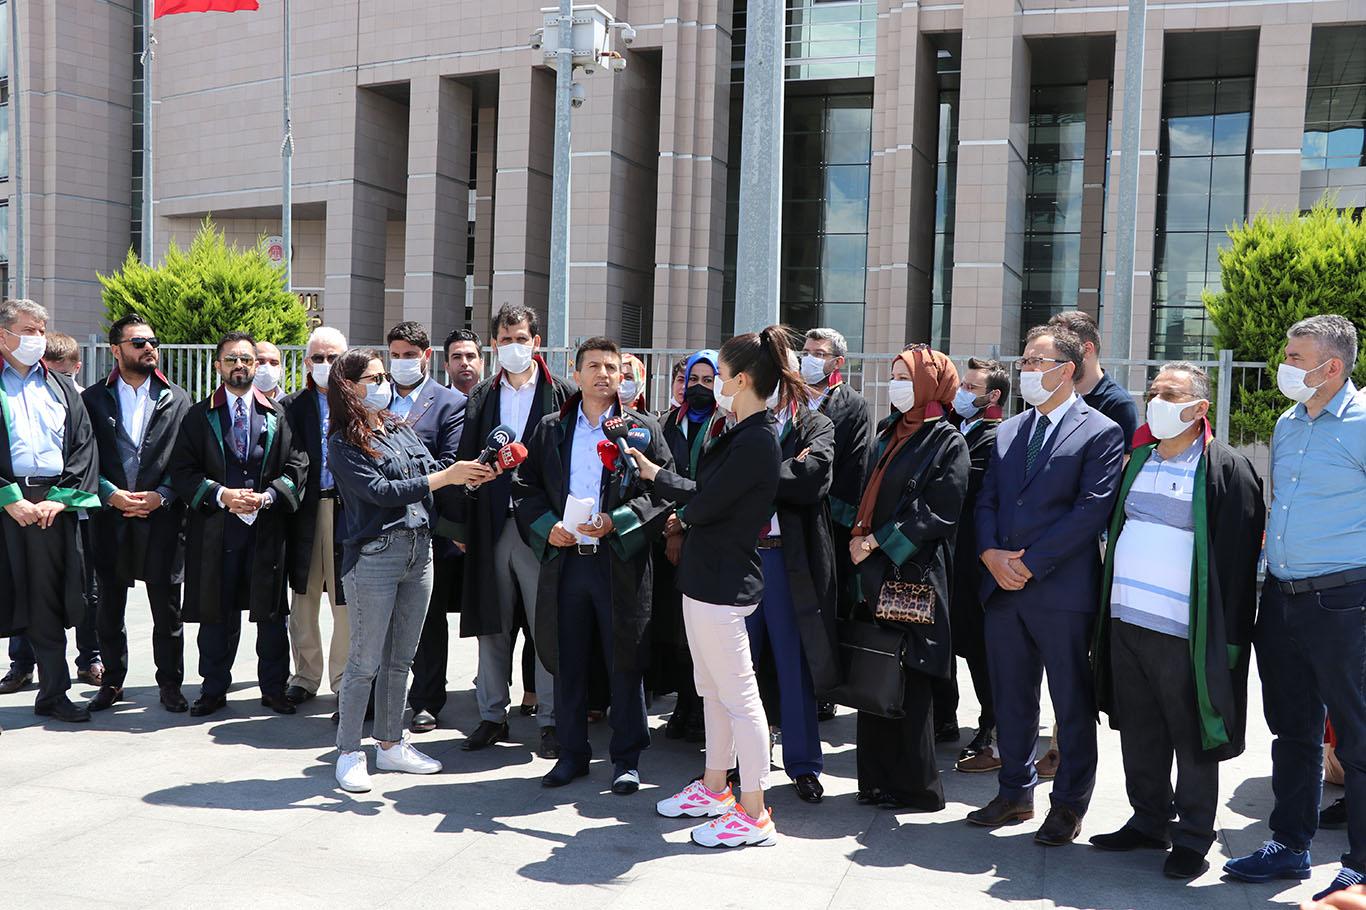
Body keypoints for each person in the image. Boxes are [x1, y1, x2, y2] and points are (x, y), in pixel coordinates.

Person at [629, 325, 803, 848]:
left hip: (725, 584)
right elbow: (706, 494)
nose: (711, 384)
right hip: (707, 578)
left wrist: (657, 477)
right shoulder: (741, 431)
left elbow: (704, 504)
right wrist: (658, 475)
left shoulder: (757, 438)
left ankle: (754, 810)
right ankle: (714, 787)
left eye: (721, 374)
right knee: (712, 691)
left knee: (741, 699)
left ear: (742, 379)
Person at [1089, 362, 1264, 880]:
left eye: (1170, 394)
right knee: (1139, 730)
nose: (1157, 401)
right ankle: (1148, 820)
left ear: (1199, 407)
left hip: (1185, 634)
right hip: (1127, 622)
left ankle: (1192, 837)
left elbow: (1236, 564)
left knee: (1191, 737)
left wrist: (1228, 642)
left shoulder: (1225, 469)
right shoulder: (1138, 459)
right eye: (1154, 392)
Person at [1225, 315, 1366, 902]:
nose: (1284, 364)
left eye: (1294, 356)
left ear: (1331, 366)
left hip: (1345, 601)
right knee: (1292, 729)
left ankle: (1361, 864)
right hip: (1281, 598)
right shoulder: (1288, 422)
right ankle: (1289, 844)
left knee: (1357, 735)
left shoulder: (1363, 422)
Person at [966, 324, 1124, 845]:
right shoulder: (1010, 429)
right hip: (1003, 589)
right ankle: (1014, 792)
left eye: (1037, 361)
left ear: (1068, 370)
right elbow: (987, 499)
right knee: (1011, 698)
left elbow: (1090, 511)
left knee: (1071, 703)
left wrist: (1030, 564)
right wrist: (990, 555)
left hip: (1061, 591)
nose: (1027, 370)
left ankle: (1069, 805)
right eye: (1025, 361)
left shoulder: (1100, 430)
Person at [326, 348, 496, 792]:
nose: (384, 384)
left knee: (401, 658)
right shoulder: (343, 441)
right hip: (375, 555)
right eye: (373, 378)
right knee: (365, 660)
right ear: (349, 387)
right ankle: (349, 752)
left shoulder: (398, 427)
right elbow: (382, 491)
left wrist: (469, 473)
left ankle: (390, 744)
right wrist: (446, 477)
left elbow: (431, 469)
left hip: (419, 550)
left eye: (384, 376)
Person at [513, 336, 673, 793]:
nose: (604, 374)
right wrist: (548, 528)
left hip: (618, 562)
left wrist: (615, 521)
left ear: (623, 376)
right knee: (569, 660)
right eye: (594, 366)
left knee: (624, 660)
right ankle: (572, 754)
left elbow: (660, 490)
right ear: (576, 373)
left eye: (612, 367)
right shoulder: (552, 428)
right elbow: (525, 488)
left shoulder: (640, 429)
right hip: (567, 562)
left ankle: (626, 760)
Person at [848, 346, 970, 810]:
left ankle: (915, 788)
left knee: (910, 680)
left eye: (905, 377)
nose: (895, 384)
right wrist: (858, 541)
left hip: (911, 574)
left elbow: (938, 511)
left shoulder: (946, 440)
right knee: (875, 672)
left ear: (929, 384)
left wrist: (877, 542)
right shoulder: (889, 431)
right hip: (871, 571)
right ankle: (875, 781)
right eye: (894, 375)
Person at [454, 303, 575, 759]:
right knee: (492, 624)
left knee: (548, 626)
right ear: (494, 344)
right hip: (492, 524)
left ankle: (550, 720)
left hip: (542, 528)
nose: (513, 347)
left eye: (520, 339)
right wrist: (463, 518)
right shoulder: (482, 396)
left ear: (536, 342)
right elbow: (465, 458)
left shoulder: (561, 393)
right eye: (505, 340)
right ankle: (491, 714)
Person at [170, 331, 308, 718]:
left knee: (271, 616)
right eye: (232, 359)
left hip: (266, 529)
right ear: (218, 365)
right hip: (217, 529)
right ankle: (213, 688)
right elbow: (182, 471)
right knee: (216, 614)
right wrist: (220, 494)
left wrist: (268, 497)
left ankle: (274, 689)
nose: (240, 366)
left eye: (248, 359)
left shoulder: (278, 415)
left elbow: (298, 465)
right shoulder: (199, 416)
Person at [83, 315, 193, 713]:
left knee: (167, 612)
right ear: (116, 350)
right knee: (109, 609)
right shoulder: (93, 399)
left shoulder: (177, 398)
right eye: (139, 342)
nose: (149, 348)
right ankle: (112, 682)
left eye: (153, 342)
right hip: (110, 519)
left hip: (162, 519)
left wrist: (163, 495)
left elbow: (187, 459)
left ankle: (170, 685)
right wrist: (110, 494)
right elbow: (83, 456)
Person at [0, 299, 101, 723]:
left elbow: (84, 445)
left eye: (41, 331)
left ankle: (54, 693)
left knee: (48, 603)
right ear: (3, 335)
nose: (38, 339)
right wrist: (9, 497)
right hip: (6, 505)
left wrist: (60, 498)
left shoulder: (59, 386)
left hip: (52, 507)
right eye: (29, 330)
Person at [751, 372, 839, 804]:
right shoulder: (739, 421)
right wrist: (785, 469)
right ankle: (738, 760)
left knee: (793, 664)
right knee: (739, 668)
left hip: (788, 559)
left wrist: (755, 477)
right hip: (743, 559)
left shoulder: (815, 424)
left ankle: (803, 765)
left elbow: (811, 478)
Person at [384, 320, 464, 733]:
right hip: (379, 527)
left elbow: (448, 464)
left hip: (427, 526)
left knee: (428, 619)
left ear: (426, 357)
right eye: (395, 355)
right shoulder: (374, 397)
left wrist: (395, 478)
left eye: (409, 355)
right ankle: (378, 699)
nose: (401, 362)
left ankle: (427, 700)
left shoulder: (449, 403)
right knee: (380, 620)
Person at [800, 328, 871, 722]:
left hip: (831, 523)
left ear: (837, 362)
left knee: (828, 607)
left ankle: (824, 689)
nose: (809, 358)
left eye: (818, 353)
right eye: (806, 351)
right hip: (790, 517)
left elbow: (854, 469)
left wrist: (834, 518)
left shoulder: (852, 405)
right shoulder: (790, 396)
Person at [656, 350, 722, 742]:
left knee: (704, 633)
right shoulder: (667, 423)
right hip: (667, 537)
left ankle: (702, 709)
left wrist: (684, 522)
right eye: (692, 380)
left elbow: (717, 487)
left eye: (707, 380)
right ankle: (683, 701)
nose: (698, 387)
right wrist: (672, 530)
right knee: (674, 629)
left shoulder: (725, 424)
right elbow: (658, 477)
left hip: (708, 536)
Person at [282, 327, 349, 708]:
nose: (326, 364)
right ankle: (305, 676)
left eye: (333, 357)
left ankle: (344, 680)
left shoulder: (359, 402)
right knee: (304, 597)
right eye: (319, 358)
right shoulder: (292, 406)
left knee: (346, 600)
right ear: (307, 362)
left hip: (347, 510)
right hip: (305, 511)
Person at [948, 357, 1009, 774]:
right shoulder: (958, 428)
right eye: (962, 385)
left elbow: (966, 487)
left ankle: (992, 724)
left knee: (981, 651)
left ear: (993, 396)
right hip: (951, 557)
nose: (962, 393)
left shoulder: (996, 436)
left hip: (977, 559)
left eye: (971, 388)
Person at [41, 334, 104, 687]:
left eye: (62, 374)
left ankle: (90, 657)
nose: (55, 380)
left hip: (79, 512)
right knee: (35, 587)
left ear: (76, 369)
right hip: (36, 508)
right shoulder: (28, 397)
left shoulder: (86, 401)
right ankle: (22, 662)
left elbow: (90, 455)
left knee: (87, 589)